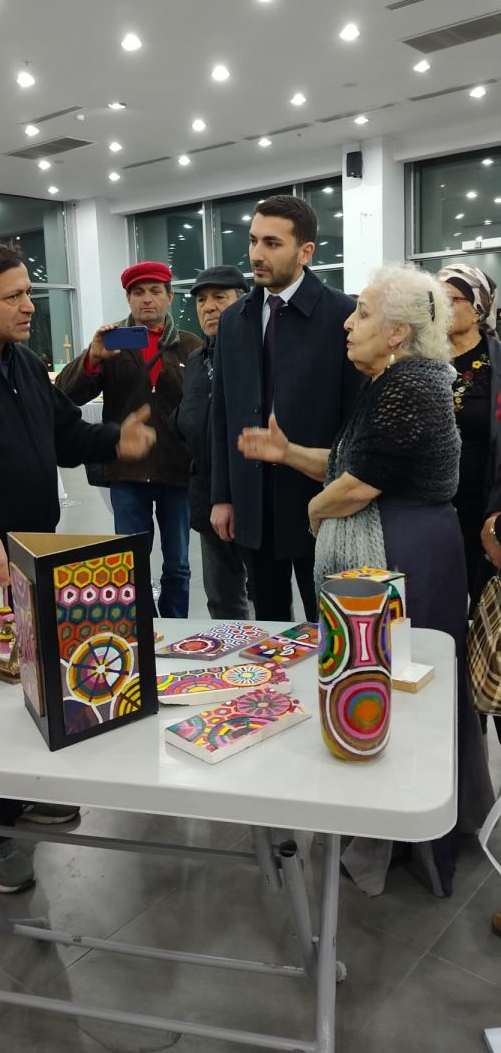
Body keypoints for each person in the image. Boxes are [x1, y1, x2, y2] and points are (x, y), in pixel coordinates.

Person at [239, 264, 493, 897]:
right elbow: (353, 463)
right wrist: (288, 453)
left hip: (405, 554)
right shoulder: (398, 381)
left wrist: (314, 510)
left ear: (398, 333)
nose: (348, 324)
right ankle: (403, 827)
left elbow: (357, 486)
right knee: (392, 683)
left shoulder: (411, 384)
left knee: (396, 685)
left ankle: (403, 827)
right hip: (408, 545)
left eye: (363, 314)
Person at [0, 237, 156, 893]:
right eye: (13, 296)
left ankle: (12, 801)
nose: (29, 307)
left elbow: (67, 435)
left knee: (29, 682)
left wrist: (118, 440)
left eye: (29, 294)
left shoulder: (22, 361)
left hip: (28, 556)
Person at [210, 195, 361, 623]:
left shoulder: (343, 315)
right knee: (269, 624)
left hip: (321, 502)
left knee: (331, 623)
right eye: (253, 240)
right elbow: (221, 415)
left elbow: (356, 418)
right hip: (253, 504)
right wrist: (222, 496)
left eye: (272, 243)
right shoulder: (234, 319)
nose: (257, 254)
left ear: (305, 251)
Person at [57, 261, 201, 618]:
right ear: (128, 298)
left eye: (155, 291)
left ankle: (176, 628)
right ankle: (143, 629)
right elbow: (65, 395)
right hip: (127, 471)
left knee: (179, 564)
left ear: (169, 297)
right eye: (138, 292)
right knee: (131, 563)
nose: (147, 299)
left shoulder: (190, 346)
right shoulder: (111, 344)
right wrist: (93, 358)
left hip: (177, 470)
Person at [173, 265, 250, 619]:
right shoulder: (195, 359)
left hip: (250, 494)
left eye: (220, 297)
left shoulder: (257, 353)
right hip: (206, 493)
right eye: (201, 300)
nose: (209, 307)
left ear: (242, 301)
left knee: (265, 597)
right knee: (221, 598)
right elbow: (191, 415)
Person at [436, 264, 501, 605]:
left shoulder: (497, 365)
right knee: (431, 603)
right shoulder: (422, 359)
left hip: (481, 504)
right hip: (431, 505)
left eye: (450, 299)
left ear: (477, 308)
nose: (440, 307)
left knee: (481, 603)